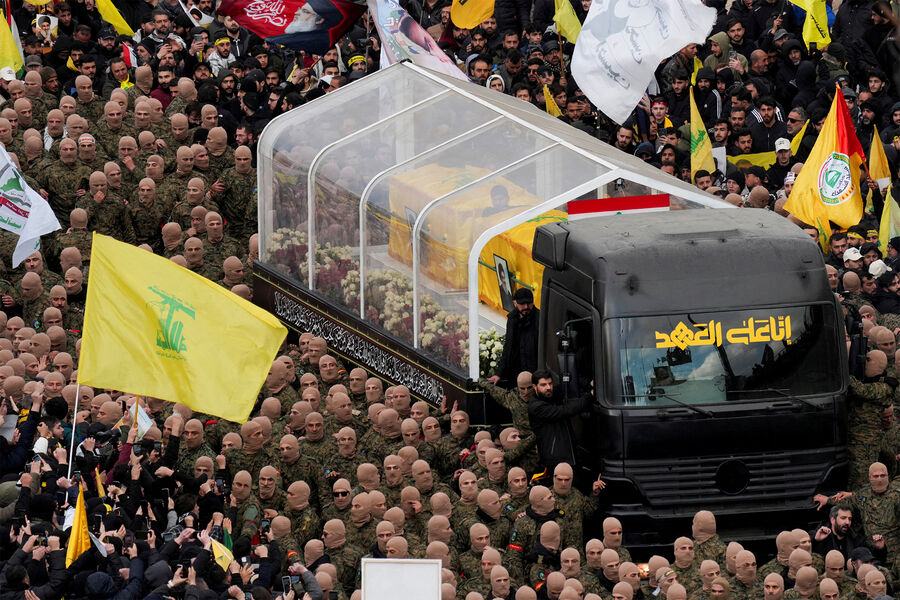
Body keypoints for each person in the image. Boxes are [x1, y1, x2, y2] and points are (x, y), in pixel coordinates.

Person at [489, 288, 539, 387]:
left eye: (529, 303)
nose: (526, 307)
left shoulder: (539, 319)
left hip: (534, 375)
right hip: (515, 374)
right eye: (522, 304)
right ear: (515, 303)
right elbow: (508, 347)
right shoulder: (512, 319)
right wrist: (499, 373)